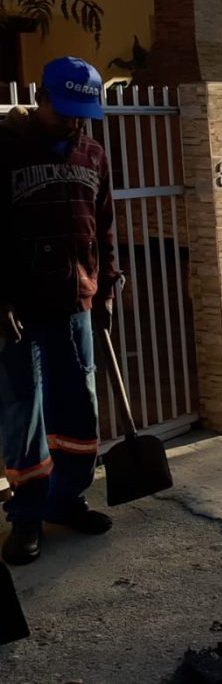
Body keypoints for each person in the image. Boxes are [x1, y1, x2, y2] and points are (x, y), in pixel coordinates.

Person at [0, 57, 120, 565]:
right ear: (41, 97)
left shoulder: (92, 153)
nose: (74, 121)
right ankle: (26, 518)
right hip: (18, 309)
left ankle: (66, 501)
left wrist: (108, 286)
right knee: (22, 410)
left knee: (78, 406)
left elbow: (105, 223)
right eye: (65, 110)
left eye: (81, 113)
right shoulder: (3, 149)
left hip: (76, 301)